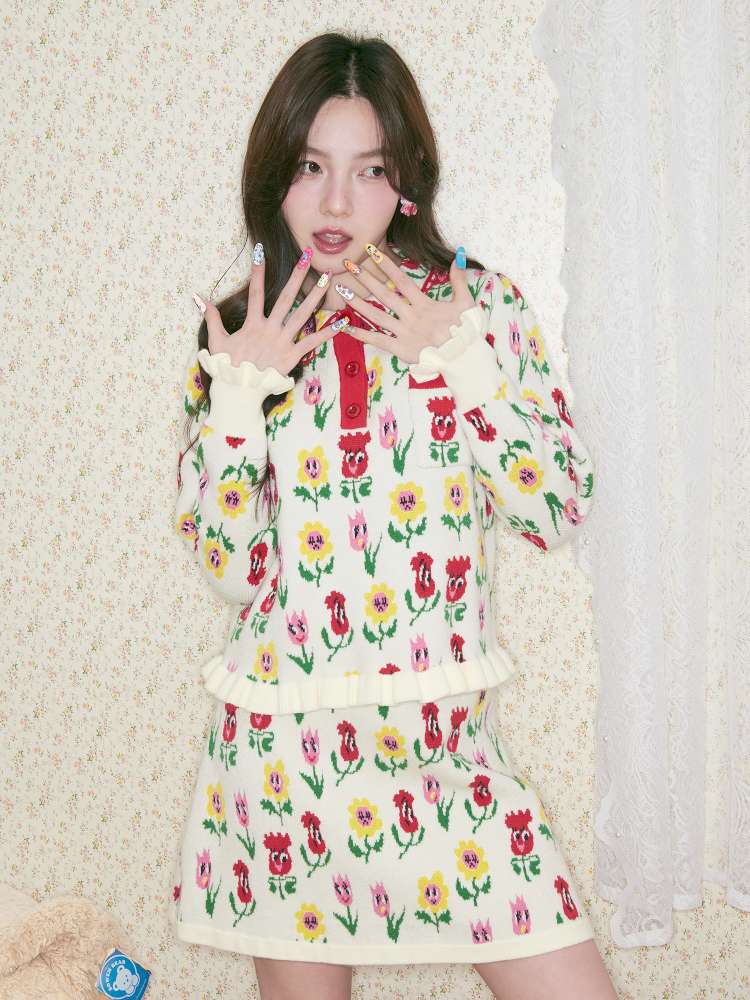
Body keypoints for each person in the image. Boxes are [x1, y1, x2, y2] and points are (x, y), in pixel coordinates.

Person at [168, 30, 617, 1000]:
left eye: (368, 170)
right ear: (274, 178)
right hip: (287, 768)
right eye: (311, 167)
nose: (337, 203)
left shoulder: (478, 305)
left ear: (406, 180)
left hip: (444, 756)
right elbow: (232, 572)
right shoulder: (242, 332)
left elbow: (558, 506)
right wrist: (237, 404)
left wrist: (465, 369)